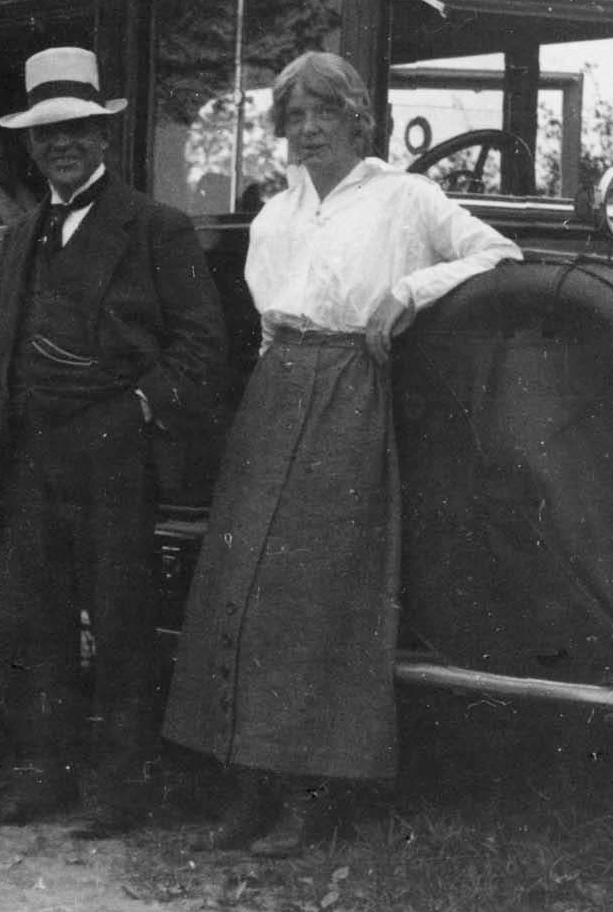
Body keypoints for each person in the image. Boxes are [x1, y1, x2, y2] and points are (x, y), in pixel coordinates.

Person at [161, 52, 522, 854]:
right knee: (243, 586)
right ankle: (247, 788)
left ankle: (311, 796)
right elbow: (267, 322)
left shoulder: (405, 198)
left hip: (353, 392)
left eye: (325, 112)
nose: (309, 128)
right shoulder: (274, 215)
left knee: (319, 593)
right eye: (295, 116)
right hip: (276, 388)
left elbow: (499, 253)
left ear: (358, 120)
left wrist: (408, 293)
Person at [0, 47, 227, 838]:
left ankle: (122, 788)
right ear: (31, 146)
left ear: (103, 135)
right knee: (31, 622)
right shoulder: (23, 234)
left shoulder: (155, 228)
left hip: (115, 455)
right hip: (27, 455)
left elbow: (201, 345)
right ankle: (41, 776)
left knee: (122, 624)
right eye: (46, 133)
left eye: (76, 130)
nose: (62, 144)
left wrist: (136, 410)